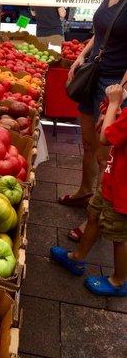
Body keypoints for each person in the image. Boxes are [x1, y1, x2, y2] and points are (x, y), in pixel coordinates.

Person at [58, 0, 127, 242]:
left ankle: (95, 219)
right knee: (87, 141)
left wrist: (119, 96)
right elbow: (99, 32)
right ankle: (85, 190)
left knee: (104, 154)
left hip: (113, 83)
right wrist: (81, 56)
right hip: (92, 75)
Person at [50, 83, 127, 296]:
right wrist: (114, 113)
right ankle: (77, 257)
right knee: (93, 215)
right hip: (112, 180)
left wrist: (112, 105)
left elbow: (105, 138)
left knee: (119, 236)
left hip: (122, 193)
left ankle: (118, 281)